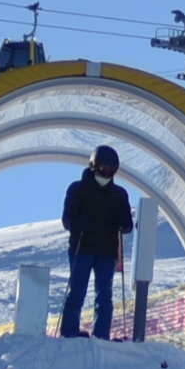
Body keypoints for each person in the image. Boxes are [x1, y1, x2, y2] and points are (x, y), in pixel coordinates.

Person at [60, 144, 135, 338]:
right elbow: (67, 220)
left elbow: (127, 226)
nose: (107, 174)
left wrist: (123, 221)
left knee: (104, 295)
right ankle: (69, 331)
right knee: (77, 290)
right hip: (82, 248)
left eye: (112, 170)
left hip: (107, 251)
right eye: (103, 169)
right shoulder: (78, 189)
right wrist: (78, 223)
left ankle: (101, 335)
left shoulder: (119, 194)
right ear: (93, 166)